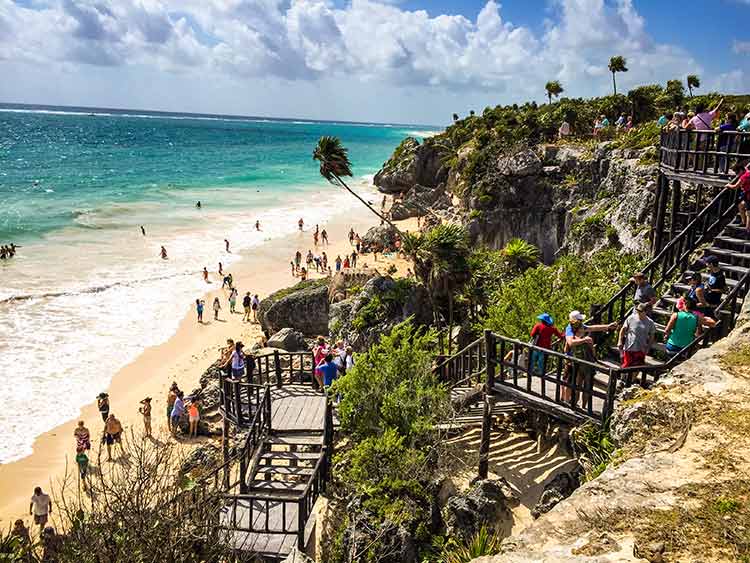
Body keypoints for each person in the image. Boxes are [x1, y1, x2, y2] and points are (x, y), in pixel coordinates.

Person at [562, 311, 617, 402]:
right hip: (571, 359)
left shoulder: (580, 326)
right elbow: (571, 342)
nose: (581, 321)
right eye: (580, 320)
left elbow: (592, 328)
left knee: (574, 382)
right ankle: (566, 401)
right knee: (569, 381)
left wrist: (608, 326)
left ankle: (569, 401)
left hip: (579, 359)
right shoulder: (569, 329)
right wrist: (585, 340)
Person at [617, 303, 656, 368]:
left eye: (640, 311)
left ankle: (632, 378)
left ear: (645, 312)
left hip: (641, 349)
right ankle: (624, 377)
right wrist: (620, 341)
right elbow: (623, 329)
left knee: (638, 367)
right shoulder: (631, 318)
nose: (638, 312)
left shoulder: (650, 322)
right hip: (629, 348)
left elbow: (652, 336)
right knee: (626, 366)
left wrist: (648, 347)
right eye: (637, 310)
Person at [726, 162, 750, 233]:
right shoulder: (748, 171)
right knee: (741, 205)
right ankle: (743, 222)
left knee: (748, 213)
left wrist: (728, 185)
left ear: (741, 170)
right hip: (747, 195)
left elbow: (735, 186)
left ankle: (748, 230)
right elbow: (745, 168)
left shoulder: (744, 177)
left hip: (749, 196)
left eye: (737, 173)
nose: (737, 175)